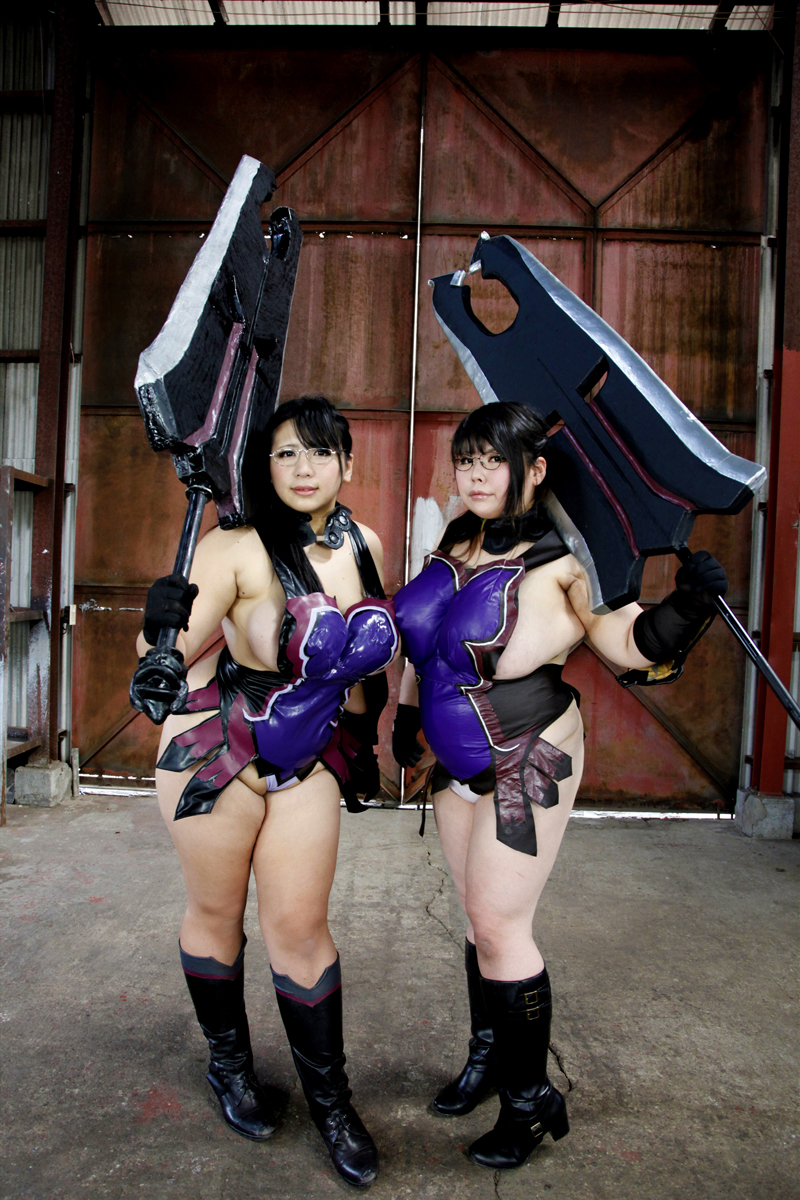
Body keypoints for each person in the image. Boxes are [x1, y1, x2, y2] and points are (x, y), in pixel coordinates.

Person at [391, 400, 727, 1171]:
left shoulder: (569, 560)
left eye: (493, 461)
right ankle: (488, 1057)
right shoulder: (458, 537)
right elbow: (427, 646)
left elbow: (628, 644)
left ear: (536, 469)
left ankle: (530, 1100)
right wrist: (407, 715)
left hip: (527, 757)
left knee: (501, 924)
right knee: (478, 922)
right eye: (466, 459)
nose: (476, 475)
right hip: (454, 763)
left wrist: (689, 605)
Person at [136, 396, 397, 1189]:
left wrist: (371, 742)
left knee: (301, 929)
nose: (304, 468)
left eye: (320, 452)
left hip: (307, 758)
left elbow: (364, 667)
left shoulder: (367, 544)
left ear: (347, 462)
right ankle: (230, 1068)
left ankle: (333, 1106)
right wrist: (157, 623)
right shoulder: (234, 545)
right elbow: (162, 657)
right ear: (264, 464)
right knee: (217, 913)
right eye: (286, 453)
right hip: (217, 752)